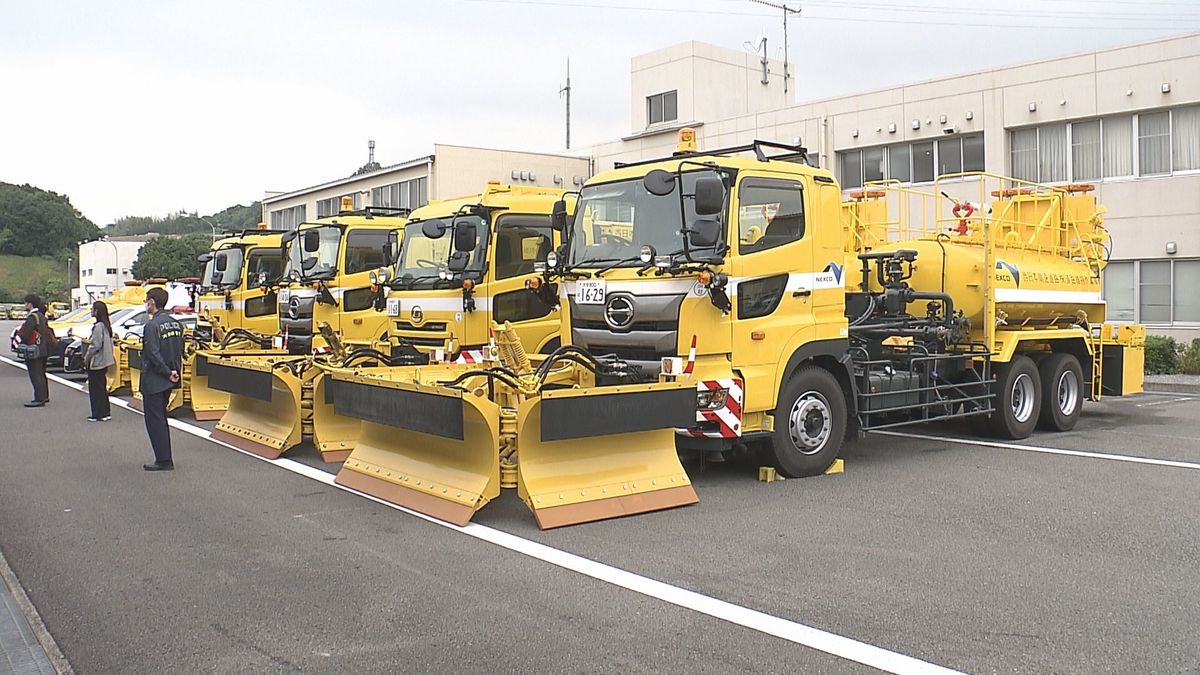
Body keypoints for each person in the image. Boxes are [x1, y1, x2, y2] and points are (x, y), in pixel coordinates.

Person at [139, 287, 184, 471]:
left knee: (154, 419)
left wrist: (166, 371)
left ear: (152, 302)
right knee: (161, 417)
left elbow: (152, 353)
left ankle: (163, 459)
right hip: (170, 378)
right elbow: (178, 350)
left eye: (147, 300)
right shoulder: (176, 324)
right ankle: (165, 457)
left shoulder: (151, 326)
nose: (146, 304)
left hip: (155, 379)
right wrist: (173, 372)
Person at [15, 294, 52, 407]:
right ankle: (44, 396)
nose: (25, 305)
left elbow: (26, 334)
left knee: (35, 374)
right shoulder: (41, 315)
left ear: (30, 304)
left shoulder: (32, 317)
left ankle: (39, 399)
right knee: (41, 373)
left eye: (26, 303)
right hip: (42, 348)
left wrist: (20, 342)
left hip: (33, 350)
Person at [82, 300, 115, 422]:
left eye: (92, 309)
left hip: (97, 361)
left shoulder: (98, 327)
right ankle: (105, 412)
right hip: (105, 361)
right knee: (102, 387)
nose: (91, 311)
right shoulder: (106, 326)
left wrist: (86, 357)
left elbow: (95, 345)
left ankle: (98, 413)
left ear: (96, 311)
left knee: (95, 389)